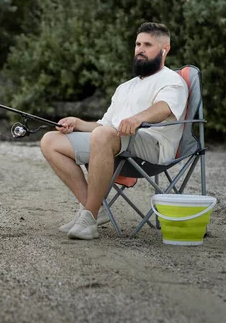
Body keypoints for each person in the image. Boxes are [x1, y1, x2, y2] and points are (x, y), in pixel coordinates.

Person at [40, 22, 188, 240]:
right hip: (116, 141)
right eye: (138, 44)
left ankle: (88, 218)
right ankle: (93, 208)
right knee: (50, 141)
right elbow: (104, 126)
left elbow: (164, 108)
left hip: (153, 145)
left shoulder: (171, 80)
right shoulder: (125, 87)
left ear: (165, 49)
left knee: (103, 136)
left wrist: (137, 119)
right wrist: (79, 123)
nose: (140, 49)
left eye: (147, 44)